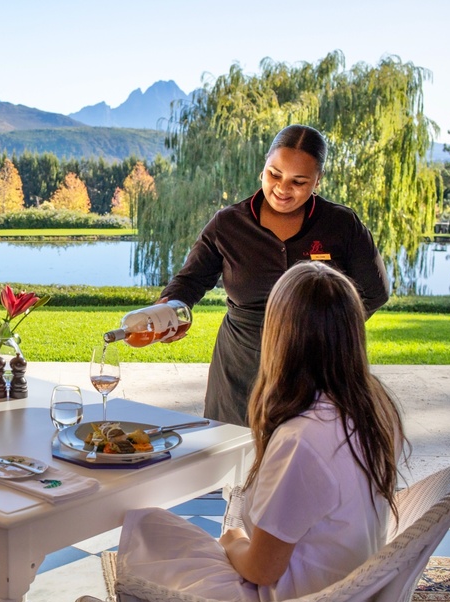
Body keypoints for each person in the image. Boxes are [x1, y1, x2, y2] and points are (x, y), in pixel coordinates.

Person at [73, 262, 406, 602]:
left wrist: (232, 540)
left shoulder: (304, 439)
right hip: (340, 594)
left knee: (153, 530)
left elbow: (261, 571)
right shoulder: (373, 408)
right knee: (160, 529)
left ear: (281, 336)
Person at [158, 124, 389, 426]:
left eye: (299, 181)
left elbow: (374, 291)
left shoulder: (342, 225)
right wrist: (169, 309)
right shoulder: (228, 224)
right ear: (263, 168)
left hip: (317, 370)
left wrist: (330, 331)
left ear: (317, 180)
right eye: (274, 174)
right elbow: (190, 281)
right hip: (240, 369)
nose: (282, 188)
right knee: (235, 460)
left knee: (304, 460)